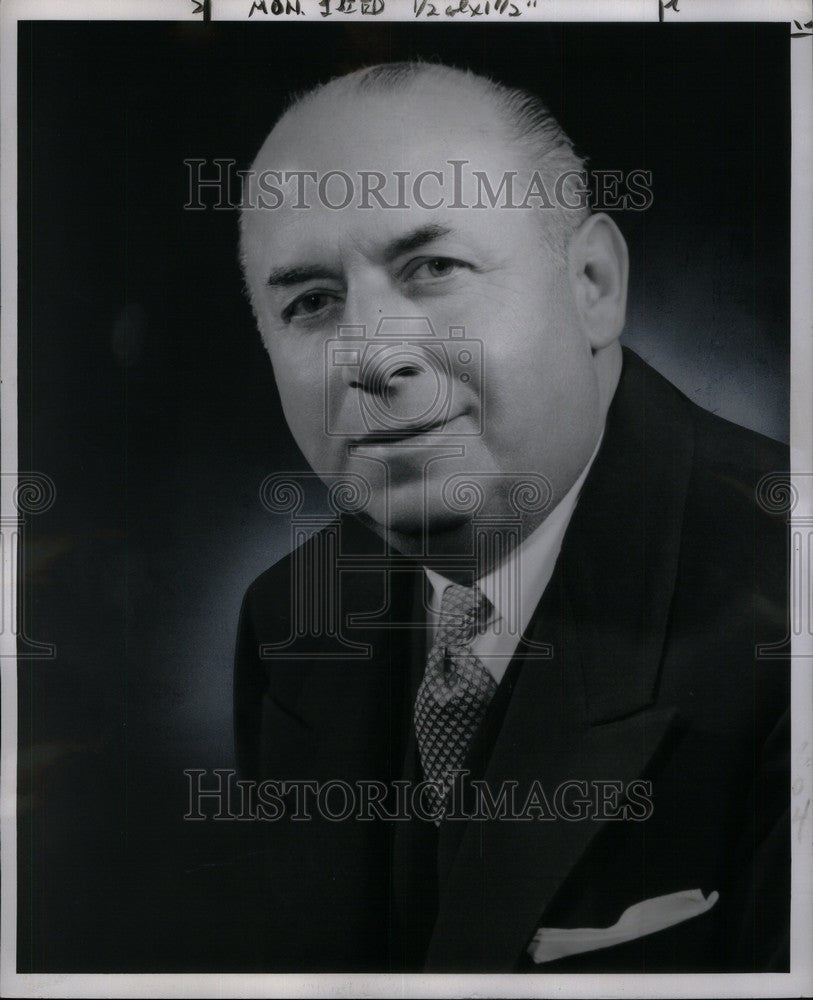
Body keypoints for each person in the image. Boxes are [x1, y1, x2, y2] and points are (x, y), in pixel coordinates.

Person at [232, 61, 789, 972]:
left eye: (435, 268)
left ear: (592, 283)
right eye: (311, 303)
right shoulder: (288, 620)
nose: (371, 358)